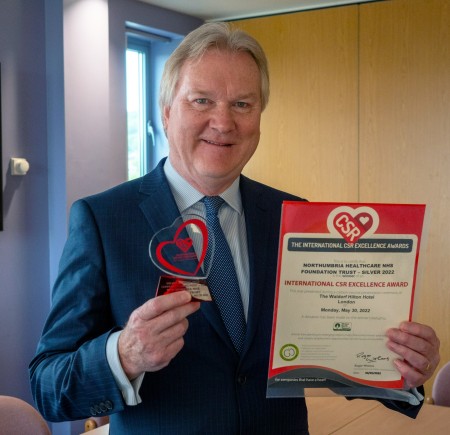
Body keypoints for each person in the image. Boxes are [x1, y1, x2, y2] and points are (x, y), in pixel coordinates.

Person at [29, 22, 440, 434]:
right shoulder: (102, 220)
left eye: (243, 104)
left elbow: (332, 353)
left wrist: (401, 371)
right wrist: (125, 355)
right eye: (202, 100)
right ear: (167, 112)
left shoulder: (293, 216)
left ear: (260, 116)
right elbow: (48, 384)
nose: (223, 123)